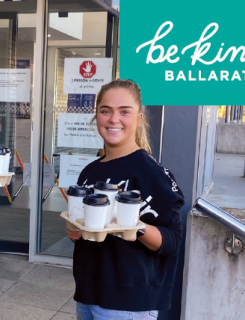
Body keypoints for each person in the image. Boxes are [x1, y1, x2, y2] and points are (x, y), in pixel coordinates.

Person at [68, 79, 185, 320]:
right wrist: (74, 230)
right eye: (105, 111)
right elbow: (84, 226)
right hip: (88, 293)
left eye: (124, 112)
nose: (113, 119)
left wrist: (136, 226)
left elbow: (172, 241)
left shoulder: (150, 172)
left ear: (139, 119)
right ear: (96, 117)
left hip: (128, 304)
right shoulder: (89, 172)